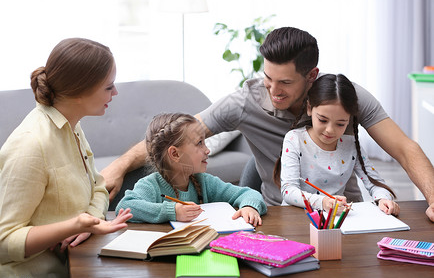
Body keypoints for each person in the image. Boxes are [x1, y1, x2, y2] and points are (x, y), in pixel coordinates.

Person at [102, 27, 434, 222]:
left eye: (285, 83)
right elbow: (174, 137)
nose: (273, 91)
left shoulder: (341, 98)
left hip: (346, 217)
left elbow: (405, 148)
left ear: (311, 76)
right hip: (284, 217)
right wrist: (118, 166)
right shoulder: (245, 101)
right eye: (268, 78)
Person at [0, 38, 133, 277]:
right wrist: (72, 226)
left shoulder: (72, 125)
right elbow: (4, 241)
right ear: (80, 92)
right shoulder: (31, 145)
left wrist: (89, 221)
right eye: (108, 86)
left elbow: (99, 187)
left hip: (75, 264)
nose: (115, 92)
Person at [274, 74, 400, 215]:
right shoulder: (294, 139)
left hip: (334, 221)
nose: (330, 130)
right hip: (296, 219)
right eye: (322, 120)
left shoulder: (351, 145)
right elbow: (288, 191)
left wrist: (383, 199)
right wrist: (323, 202)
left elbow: (375, 183)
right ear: (309, 108)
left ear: (349, 119)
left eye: (340, 124)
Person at [115, 113, 267, 226]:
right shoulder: (151, 185)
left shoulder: (205, 182)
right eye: (199, 143)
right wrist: (172, 211)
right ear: (175, 154)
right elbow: (125, 207)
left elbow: (248, 193)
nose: (207, 150)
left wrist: (249, 206)